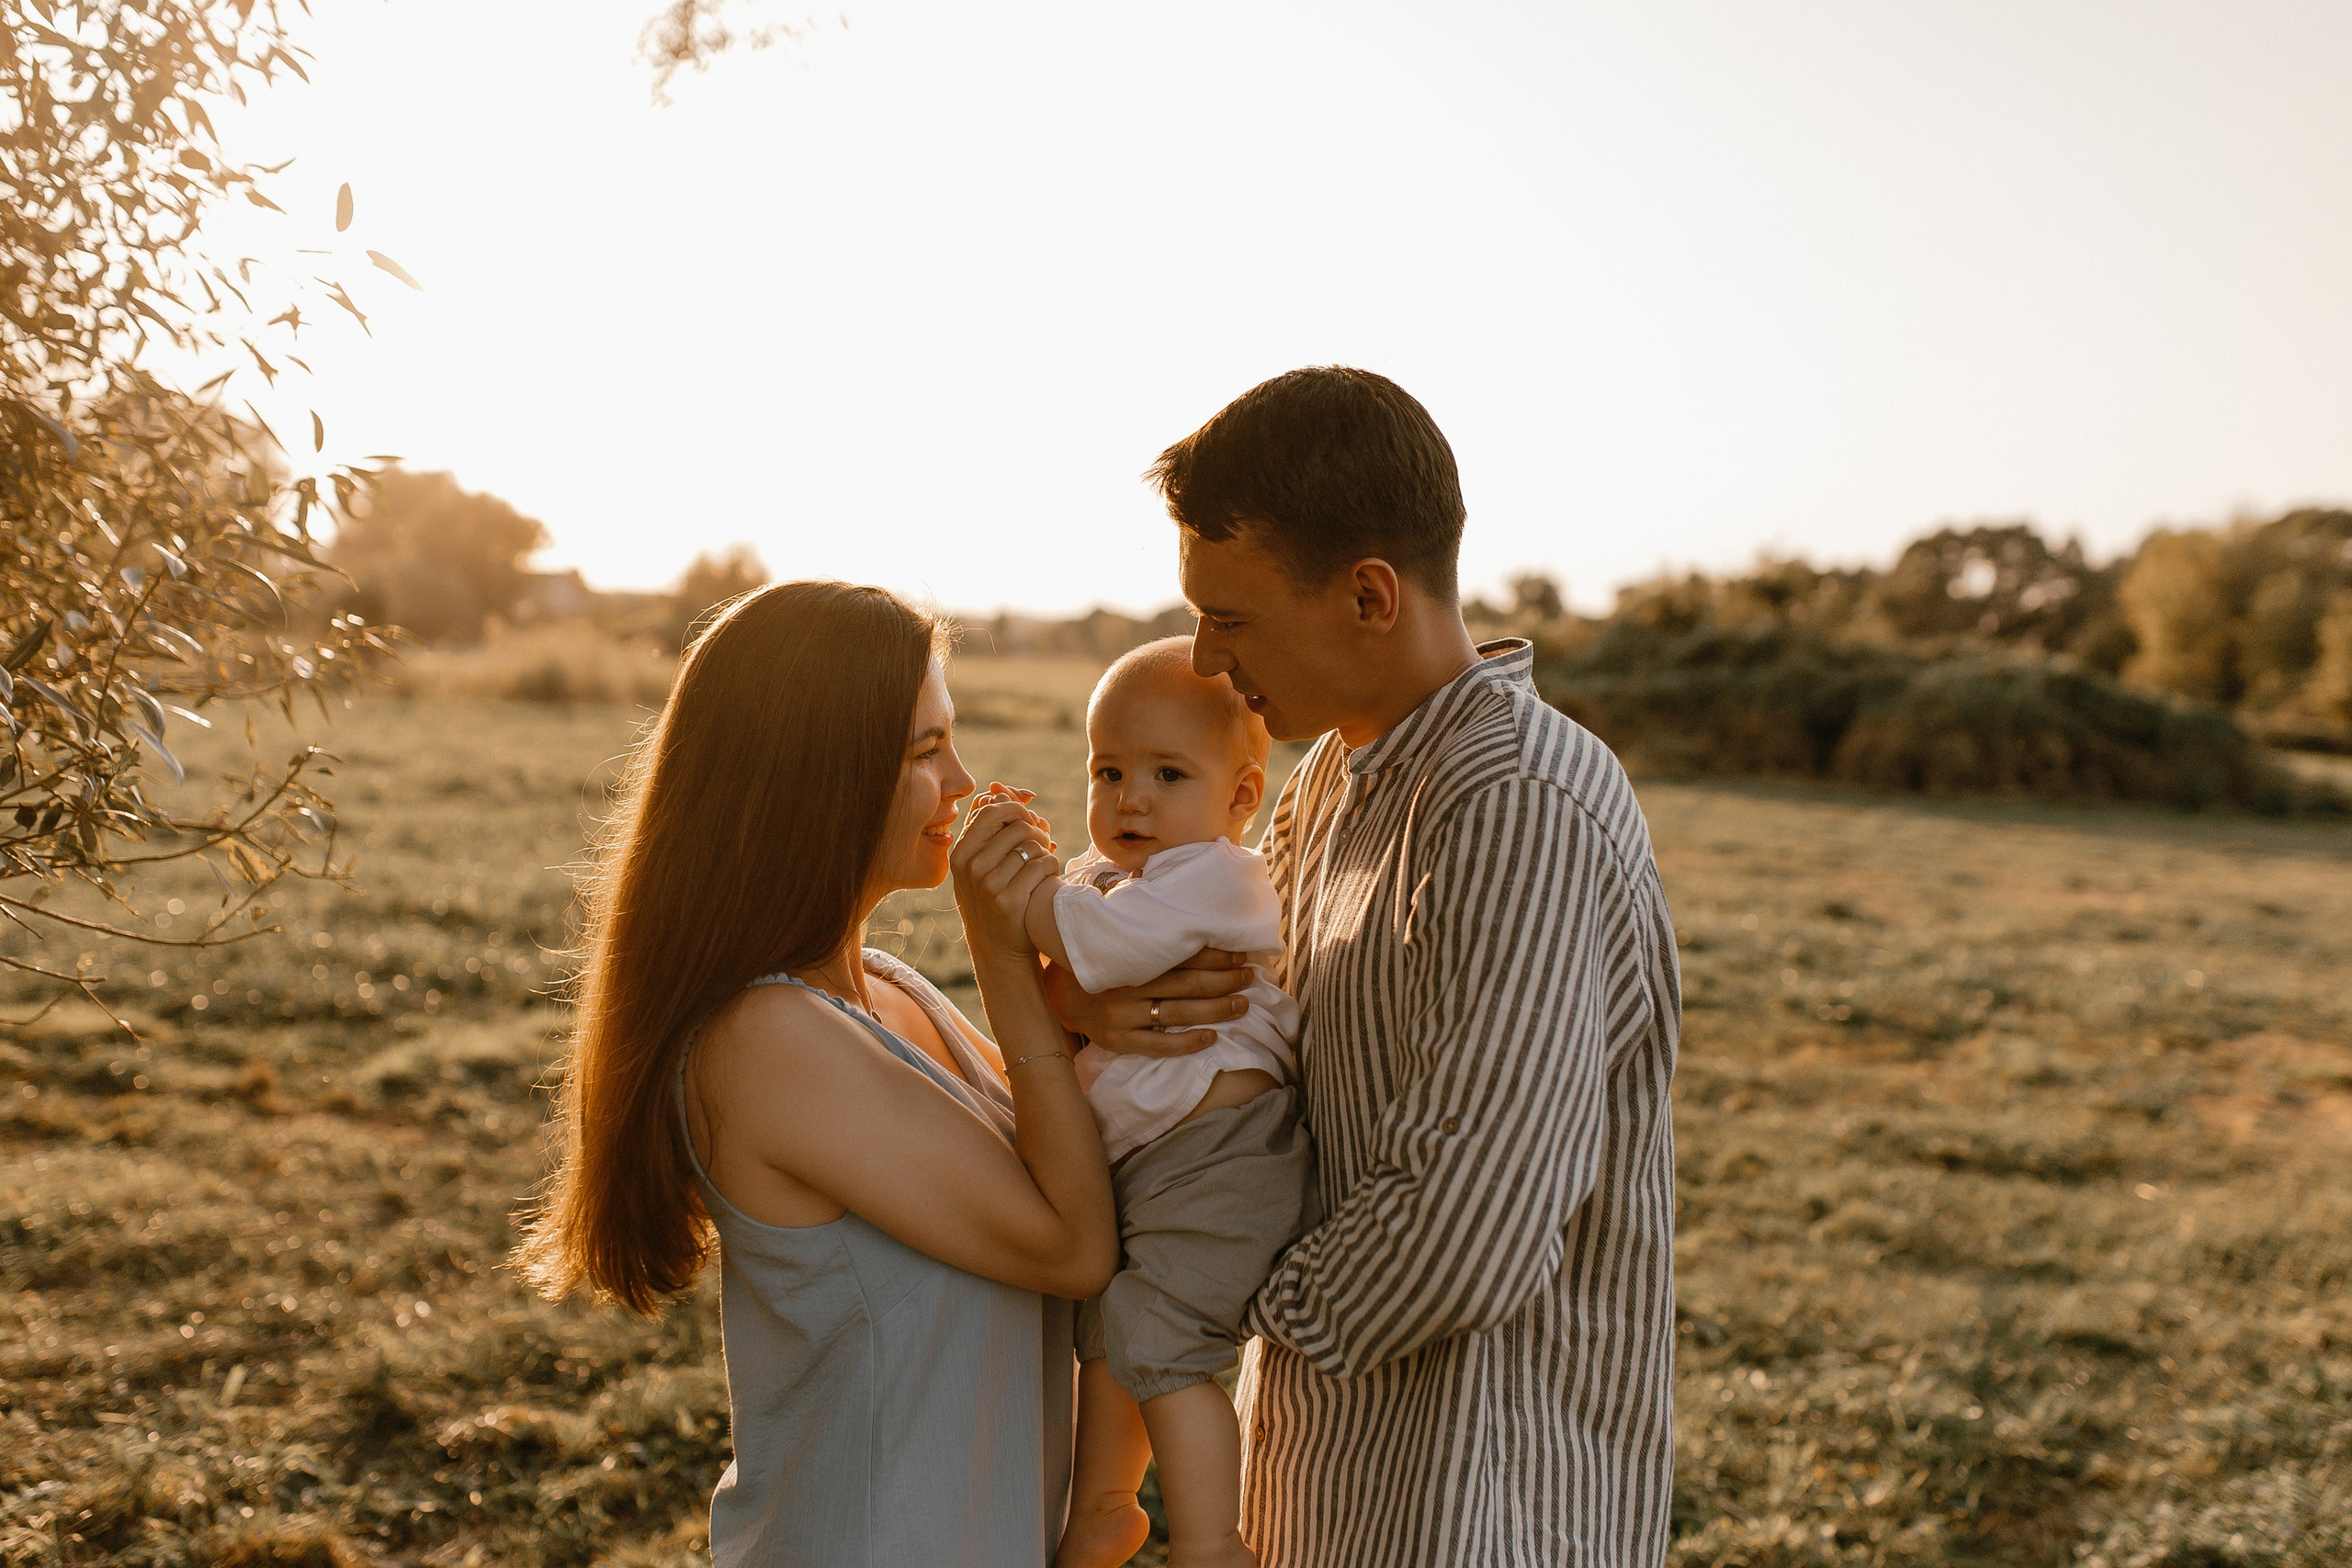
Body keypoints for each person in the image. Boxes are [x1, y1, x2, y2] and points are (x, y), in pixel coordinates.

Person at [1046, 367, 1681, 1567]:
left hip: (1475, 1500)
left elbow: (1469, 1221)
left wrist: (1225, 1297)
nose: (1205, 656)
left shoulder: (1516, 804)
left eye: (1229, 617)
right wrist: (1084, 999)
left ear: (1369, 595)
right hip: (1322, 1480)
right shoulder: (1335, 782)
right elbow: (1225, 998)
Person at [514, 581, 1116, 1568]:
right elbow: (1074, 1245)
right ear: (820, 776)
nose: (962, 781)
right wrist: (1006, 964)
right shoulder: (764, 1043)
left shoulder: (892, 991)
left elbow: (1086, 1157)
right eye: (926, 751)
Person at [1001, 638, 1315, 1568]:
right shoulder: (1124, 881)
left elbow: (1099, 950)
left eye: (1166, 774)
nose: (1128, 798)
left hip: (1223, 1157)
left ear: (1239, 798)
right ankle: (1103, 1504)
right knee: (1105, 1329)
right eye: (1107, 771)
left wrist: (1012, 899)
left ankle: (1214, 1543)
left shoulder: (1212, 877)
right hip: (1162, 1165)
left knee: (1161, 1338)